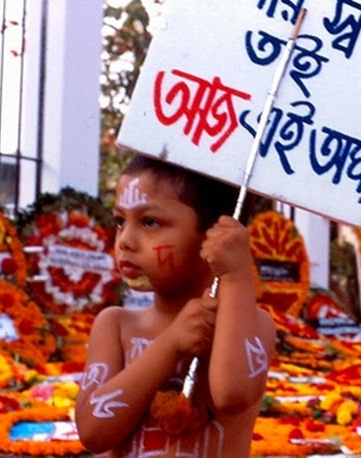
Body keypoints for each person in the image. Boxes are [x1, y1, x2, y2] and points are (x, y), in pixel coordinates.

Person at [75, 154, 276, 457]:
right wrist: (170, 345)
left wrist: (235, 274)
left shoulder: (253, 325)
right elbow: (92, 431)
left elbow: (232, 395)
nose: (125, 241)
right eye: (120, 221)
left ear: (213, 235)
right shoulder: (115, 325)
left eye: (150, 222)